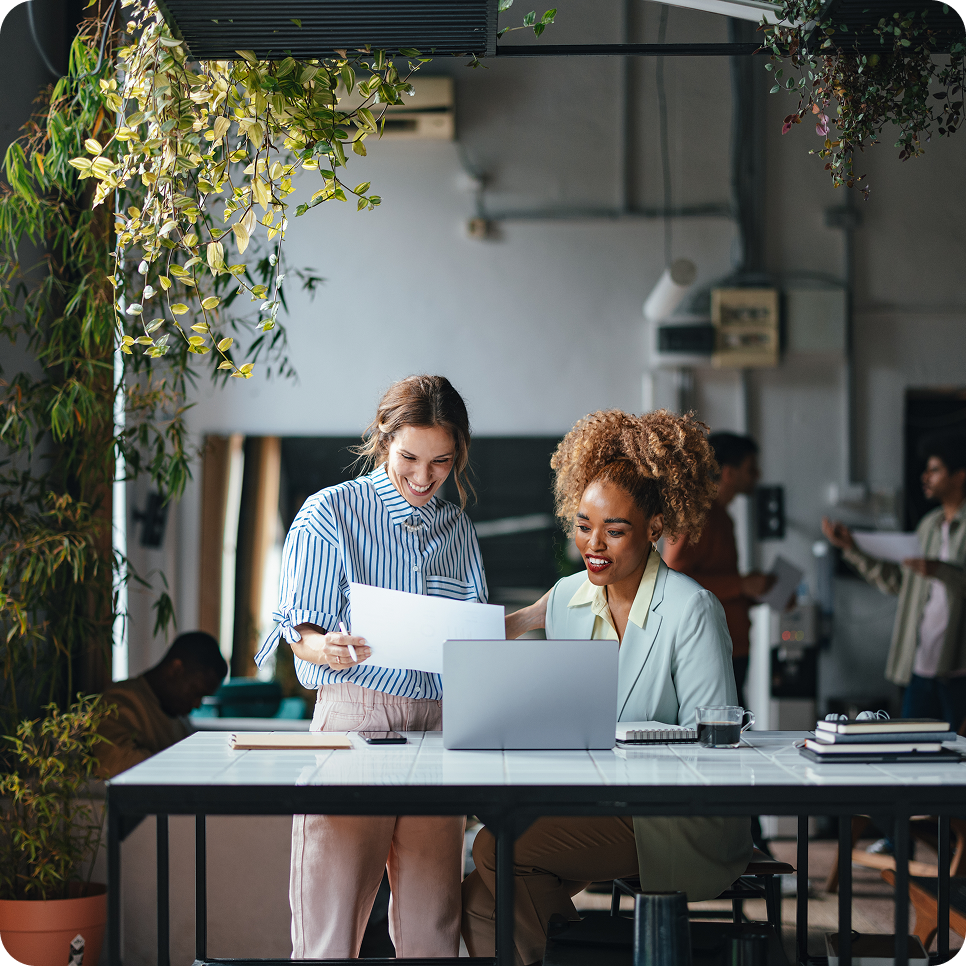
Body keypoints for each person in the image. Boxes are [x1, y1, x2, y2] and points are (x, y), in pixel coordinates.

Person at [461, 409, 753, 966]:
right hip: (595, 799)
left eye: (615, 530)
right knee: (478, 902)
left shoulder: (691, 608)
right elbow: (561, 714)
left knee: (498, 849)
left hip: (675, 810)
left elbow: (717, 748)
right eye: (582, 524)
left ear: (654, 527)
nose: (593, 544)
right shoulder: (569, 597)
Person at [254, 374, 487, 961]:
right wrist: (321, 646)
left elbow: (473, 635)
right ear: (383, 440)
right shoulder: (329, 513)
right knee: (328, 930)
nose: (423, 476)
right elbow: (298, 633)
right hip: (353, 719)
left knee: (434, 927)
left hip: (436, 728)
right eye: (409, 457)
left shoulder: (457, 528)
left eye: (441, 461)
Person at [822, 429, 966, 731]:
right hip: (920, 664)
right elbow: (899, 582)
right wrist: (852, 549)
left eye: (935, 470)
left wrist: (940, 570)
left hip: (958, 669)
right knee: (912, 753)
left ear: (960, 475)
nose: (925, 477)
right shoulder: (928, 526)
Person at [663, 431, 775, 703]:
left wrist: (753, 592)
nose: (758, 475)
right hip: (711, 649)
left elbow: (714, 584)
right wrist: (741, 585)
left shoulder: (721, 516)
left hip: (731, 646)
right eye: (751, 468)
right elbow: (673, 577)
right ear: (728, 473)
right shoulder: (699, 516)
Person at [95, 631, 227, 778]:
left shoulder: (176, 713)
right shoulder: (120, 701)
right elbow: (112, 763)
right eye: (196, 692)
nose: (197, 705)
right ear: (176, 669)